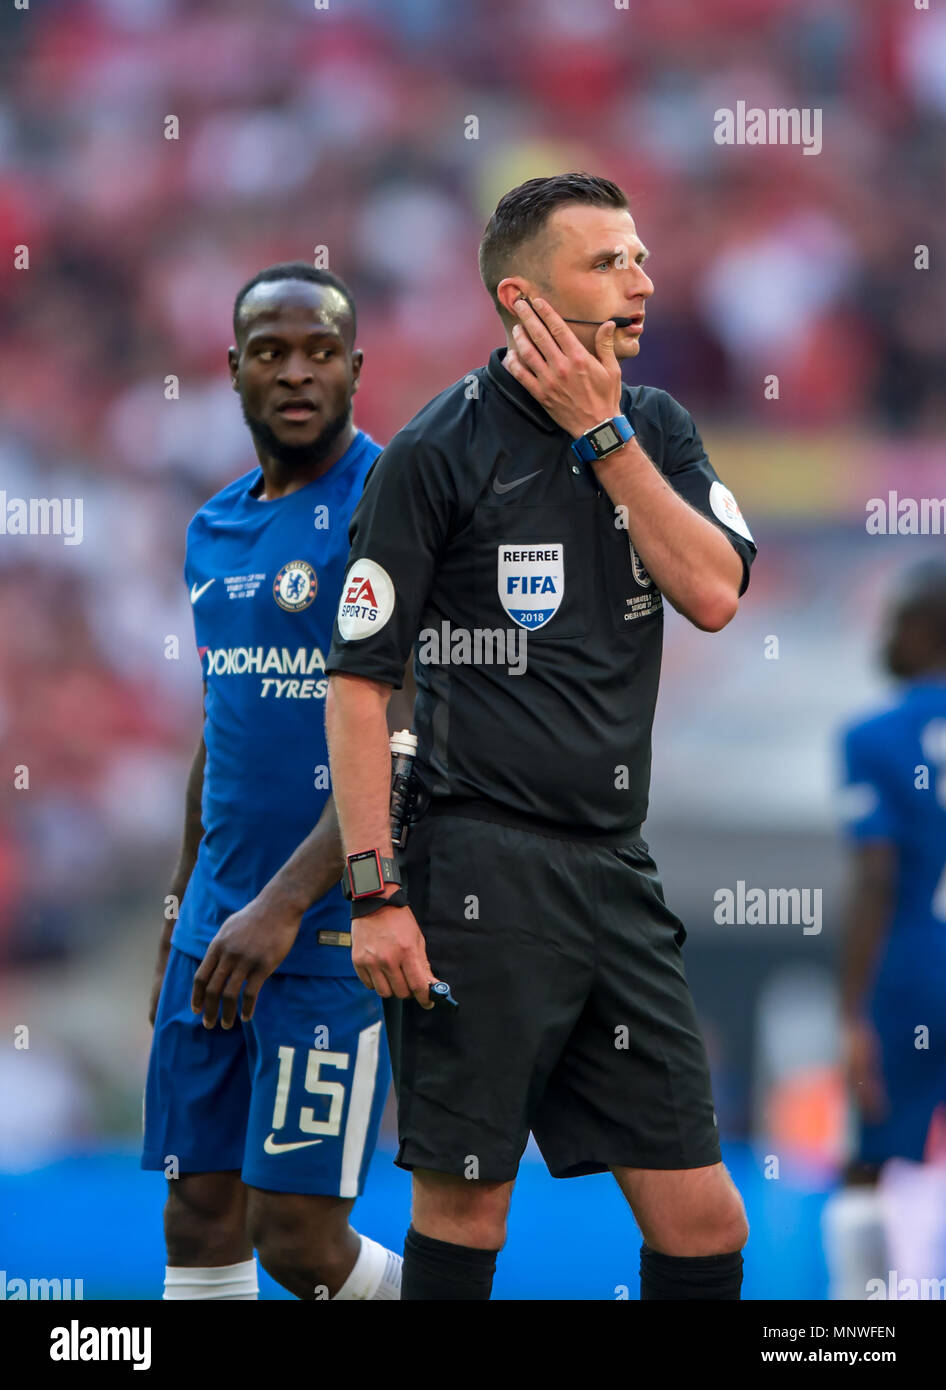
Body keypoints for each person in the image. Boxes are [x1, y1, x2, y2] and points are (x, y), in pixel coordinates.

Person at [324, 173, 757, 1300]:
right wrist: (374, 893)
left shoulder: (655, 427)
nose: (641, 281)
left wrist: (603, 436)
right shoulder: (436, 450)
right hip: (478, 866)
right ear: (522, 297)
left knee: (702, 1218)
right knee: (468, 1203)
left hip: (613, 864)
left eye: (641, 258)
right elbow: (359, 685)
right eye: (608, 262)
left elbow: (712, 593)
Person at [142, 263, 401, 1301]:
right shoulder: (214, 527)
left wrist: (286, 904)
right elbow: (223, 727)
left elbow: (402, 726)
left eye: (320, 352)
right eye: (270, 352)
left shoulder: (390, 502)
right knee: (197, 1209)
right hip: (216, 918)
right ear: (233, 370)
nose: (296, 372)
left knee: (296, 1236)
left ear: (355, 369)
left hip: (329, 922)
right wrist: (181, 906)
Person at [824, 559, 946, 1299]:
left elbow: (875, 876)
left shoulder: (875, 735)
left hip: (911, 974)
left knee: (869, 1161)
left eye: (896, 620)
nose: (883, 636)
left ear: (928, 627)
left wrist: (849, 1013)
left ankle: (858, 1333)